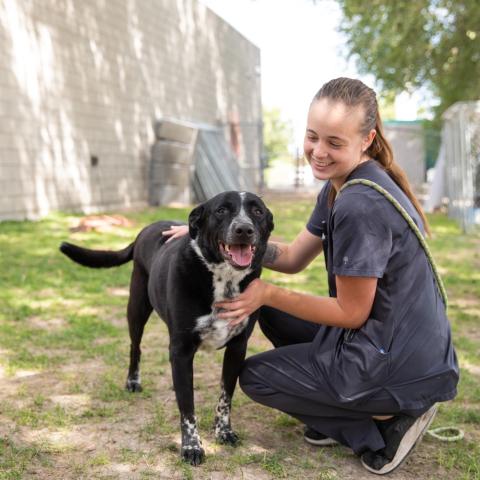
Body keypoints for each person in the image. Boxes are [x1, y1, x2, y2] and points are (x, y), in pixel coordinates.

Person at [162, 77, 459, 475]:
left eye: (334, 143)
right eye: (312, 136)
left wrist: (266, 292)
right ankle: (331, 406)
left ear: (367, 139)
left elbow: (352, 313)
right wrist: (218, 236)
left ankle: (385, 423)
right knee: (269, 313)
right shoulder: (340, 186)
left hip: (399, 361)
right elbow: (294, 256)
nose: (318, 152)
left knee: (255, 377)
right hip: (399, 341)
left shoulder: (359, 205)